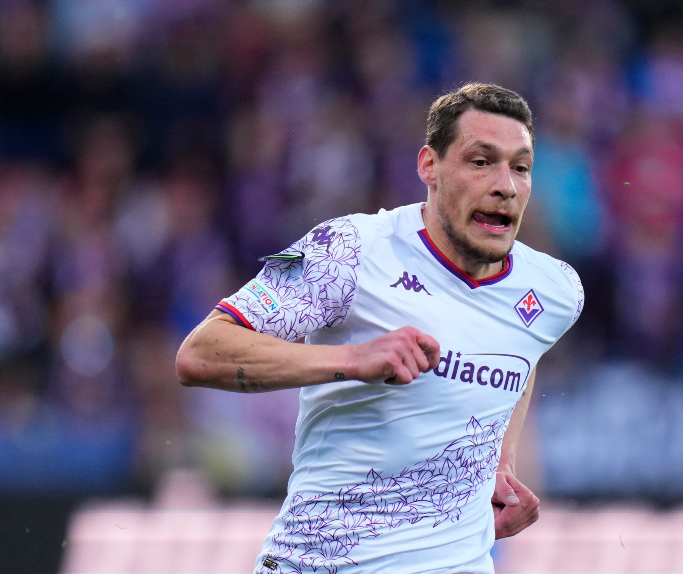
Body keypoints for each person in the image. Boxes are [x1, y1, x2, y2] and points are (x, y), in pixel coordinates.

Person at [176, 83, 584, 573]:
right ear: (429, 166)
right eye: (481, 162)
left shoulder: (556, 290)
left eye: (520, 167)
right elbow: (200, 353)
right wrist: (352, 359)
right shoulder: (348, 249)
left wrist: (503, 459)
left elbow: (522, 349)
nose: (506, 186)